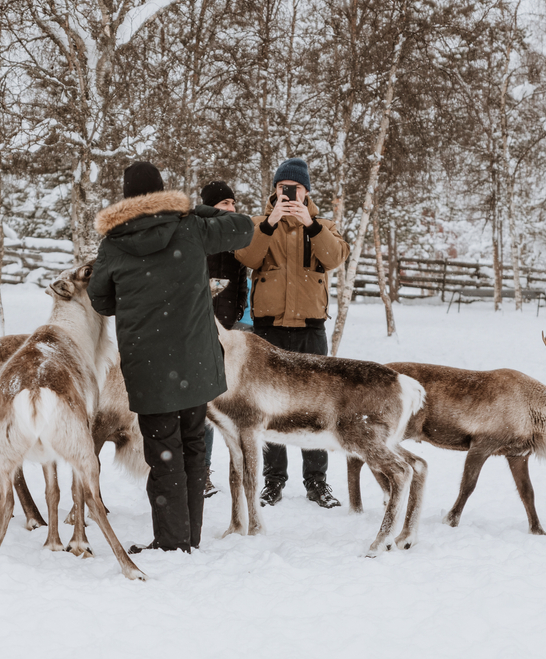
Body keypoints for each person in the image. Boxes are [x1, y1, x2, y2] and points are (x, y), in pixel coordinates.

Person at [88, 161, 254, 553]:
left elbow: (101, 299)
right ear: (163, 192)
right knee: (195, 444)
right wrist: (198, 209)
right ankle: (188, 538)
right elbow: (244, 227)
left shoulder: (113, 243)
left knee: (164, 453)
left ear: (127, 198)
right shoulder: (191, 226)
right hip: (195, 360)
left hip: (148, 366)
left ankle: (171, 541)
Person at [234, 157, 350, 509]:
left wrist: (311, 225)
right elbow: (248, 257)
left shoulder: (325, 225)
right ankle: (273, 480)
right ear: (274, 189)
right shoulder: (257, 224)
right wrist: (269, 224)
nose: (288, 194)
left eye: (295, 189)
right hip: (267, 329)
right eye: (283, 188)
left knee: (317, 406)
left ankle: (317, 482)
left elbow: (334, 259)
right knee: (269, 406)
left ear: (306, 191)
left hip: (310, 329)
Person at [198, 180, 250, 498]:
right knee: (199, 405)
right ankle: (195, 469)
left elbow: (244, 281)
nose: (230, 208)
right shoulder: (196, 236)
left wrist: (240, 321)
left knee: (225, 405)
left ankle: (224, 470)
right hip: (197, 331)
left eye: (233, 202)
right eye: (223, 203)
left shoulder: (238, 239)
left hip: (229, 332)